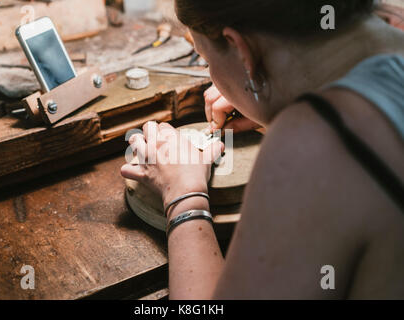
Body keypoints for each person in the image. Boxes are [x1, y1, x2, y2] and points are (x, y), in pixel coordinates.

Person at [121, 0, 404, 299]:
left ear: (242, 52)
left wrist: (183, 196)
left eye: (206, 60)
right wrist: (270, 95)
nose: (209, 71)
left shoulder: (313, 143)